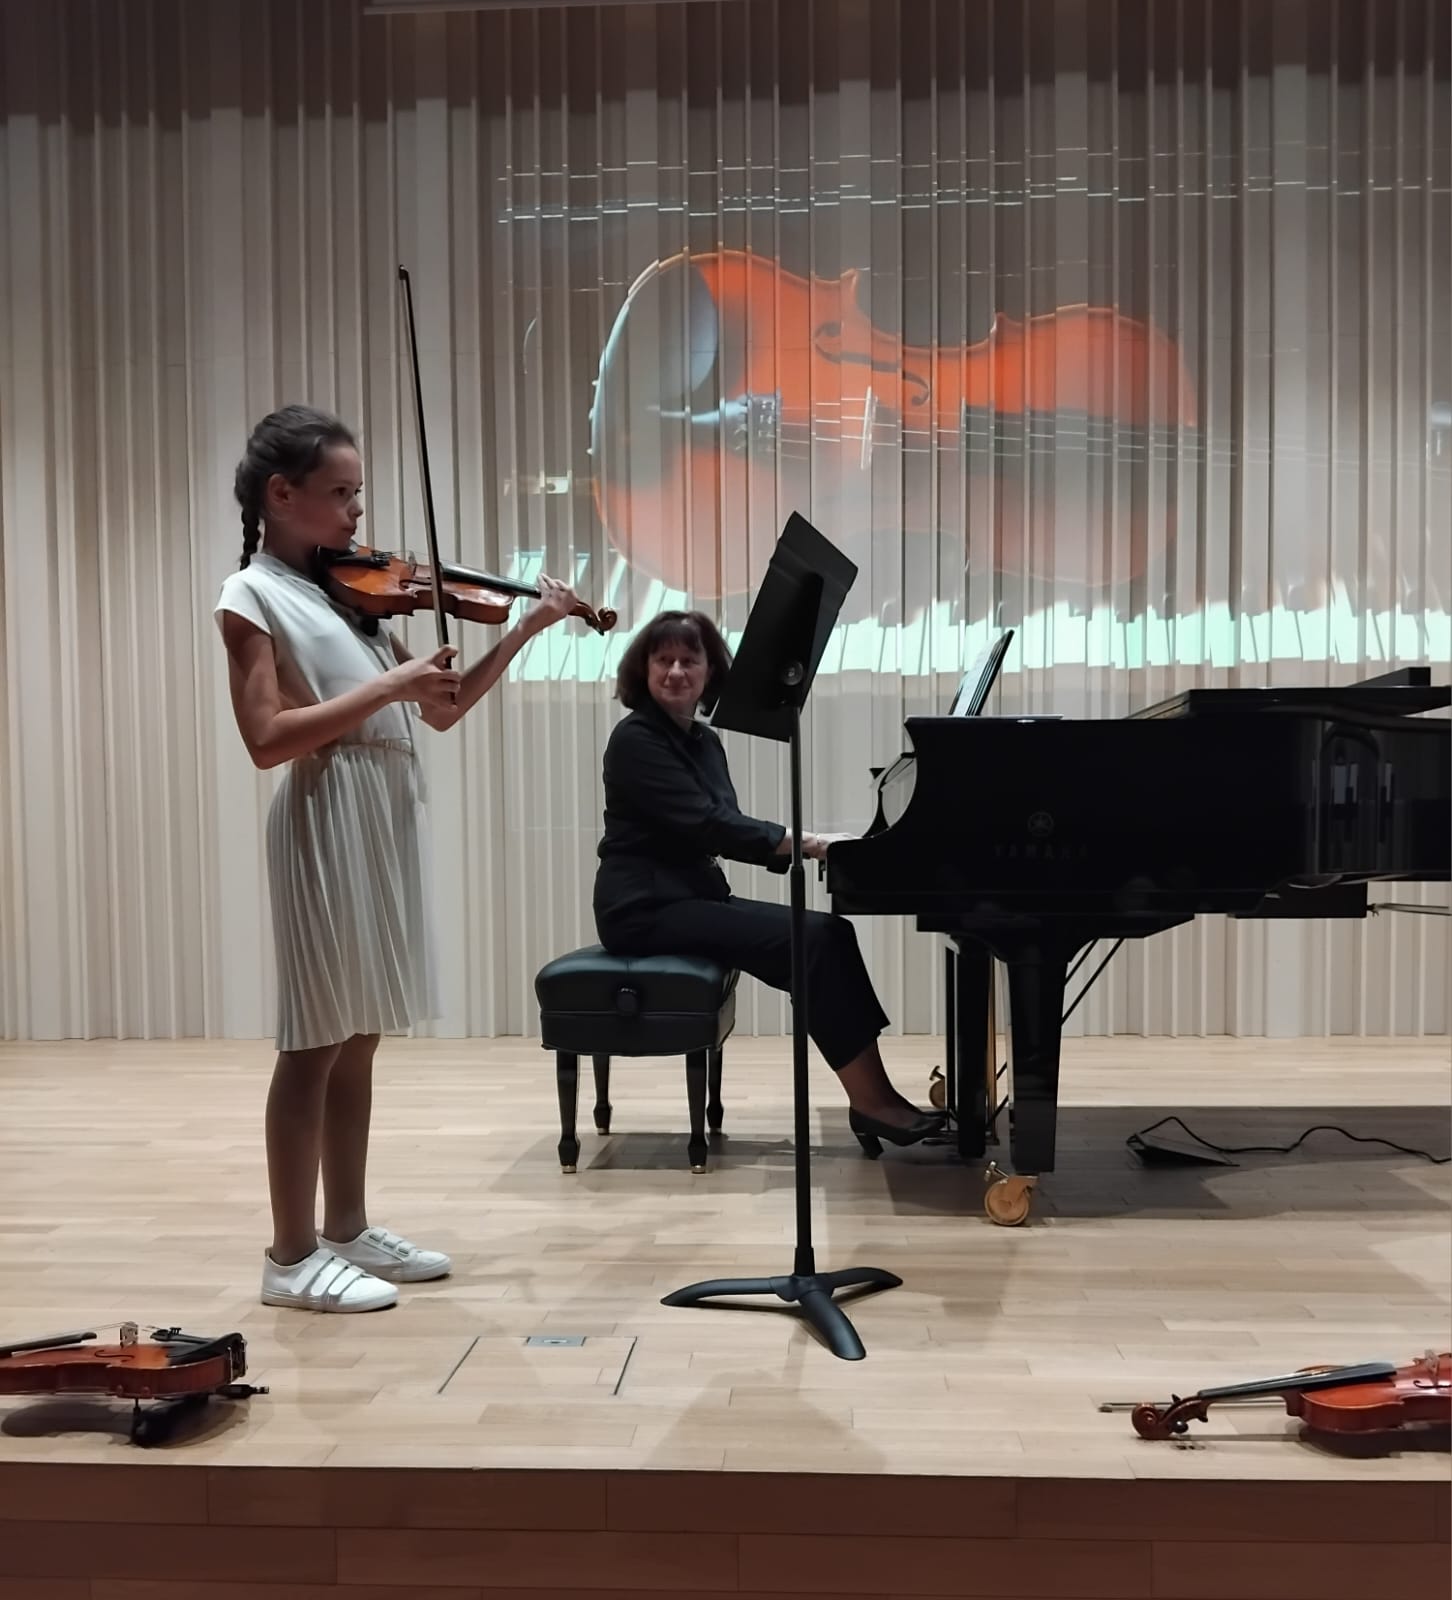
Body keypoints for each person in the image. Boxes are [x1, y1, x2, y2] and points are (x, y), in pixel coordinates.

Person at [215, 403, 578, 1313]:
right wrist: (389, 685)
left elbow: (441, 708)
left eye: (359, 493)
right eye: (341, 493)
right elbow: (265, 739)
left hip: (382, 809)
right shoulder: (250, 596)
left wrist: (525, 629)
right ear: (281, 494)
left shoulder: (349, 594)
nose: (357, 513)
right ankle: (289, 1256)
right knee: (313, 1037)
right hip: (325, 811)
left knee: (360, 1032)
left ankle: (346, 1227)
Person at [592, 609, 943, 1146]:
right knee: (813, 942)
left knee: (831, 933)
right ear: (644, 670)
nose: (676, 671)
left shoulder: (703, 742)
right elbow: (710, 824)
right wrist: (810, 842)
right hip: (643, 908)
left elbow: (721, 826)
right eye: (663, 660)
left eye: (689, 660)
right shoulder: (635, 739)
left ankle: (875, 1096)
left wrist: (803, 843)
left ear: (710, 671)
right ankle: (872, 1103)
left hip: (689, 898)